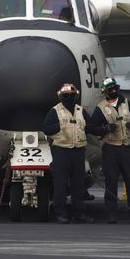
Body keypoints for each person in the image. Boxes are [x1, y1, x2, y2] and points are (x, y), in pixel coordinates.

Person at [41, 83, 106, 224]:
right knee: (60, 184)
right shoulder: (55, 111)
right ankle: (61, 214)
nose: (69, 98)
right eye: (66, 95)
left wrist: (104, 130)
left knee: (78, 184)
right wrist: (60, 125)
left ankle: (80, 213)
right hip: (61, 151)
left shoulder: (80, 111)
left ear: (76, 96)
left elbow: (90, 127)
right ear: (61, 96)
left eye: (71, 95)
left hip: (78, 151)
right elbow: (46, 128)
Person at [90, 77, 130, 224]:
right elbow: (91, 128)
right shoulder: (101, 108)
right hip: (110, 148)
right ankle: (112, 214)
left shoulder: (126, 103)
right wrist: (105, 129)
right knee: (111, 182)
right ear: (105, 92)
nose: (114, 91)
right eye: (111, 90)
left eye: (116, 88)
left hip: (126, 147)